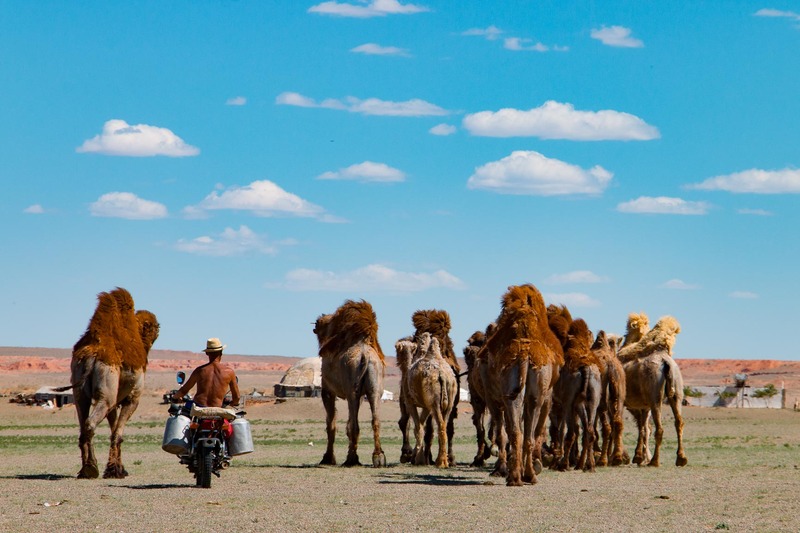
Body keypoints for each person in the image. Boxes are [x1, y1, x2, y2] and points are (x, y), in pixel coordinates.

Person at [172, 338, 240, 408]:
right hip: (217, 409)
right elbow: (237, 397)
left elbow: (184, 390)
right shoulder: (229, 372)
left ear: (207, 353)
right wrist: (234, 403)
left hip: (199, 408)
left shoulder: (199, 370)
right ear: (221, 352)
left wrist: (174, 398)